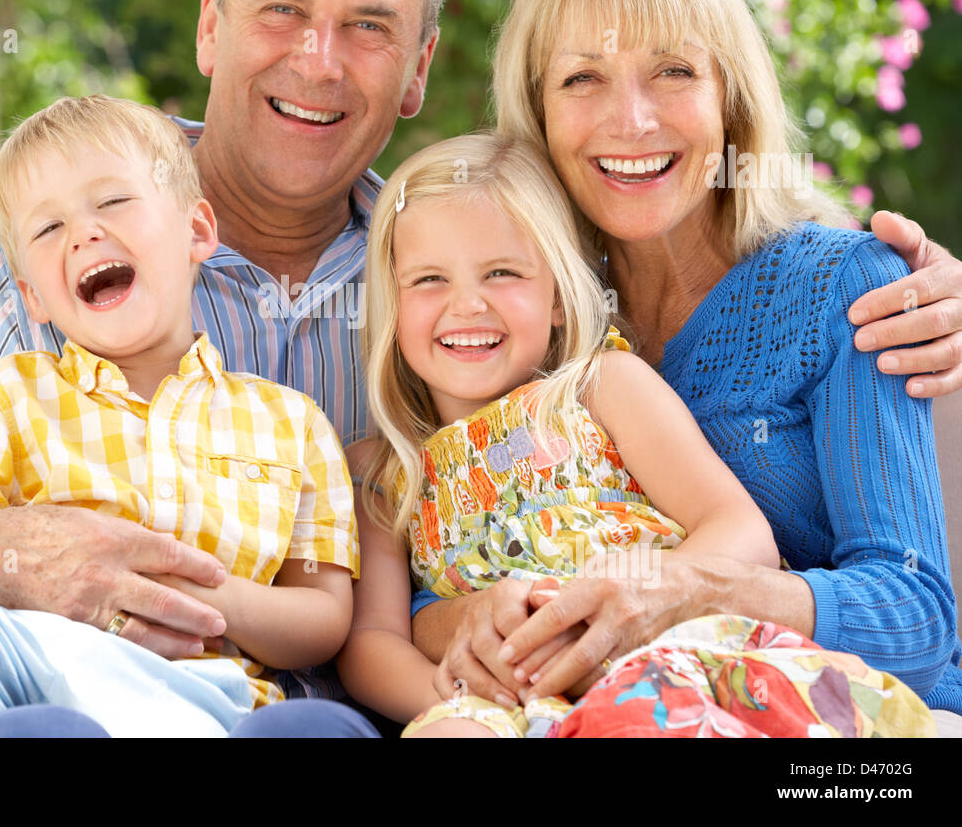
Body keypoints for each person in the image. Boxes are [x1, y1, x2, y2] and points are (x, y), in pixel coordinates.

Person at [0, 0, 962, 736]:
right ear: (209, 24)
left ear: (422, 70)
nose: (319, 59)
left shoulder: (464, 274)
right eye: (281, 10)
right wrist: (5, 551)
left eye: (370, 27)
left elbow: (690, 239)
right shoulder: (19, 237)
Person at [413, 0, 962, 732]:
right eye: (581, 77)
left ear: (729, 97)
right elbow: (460, 529)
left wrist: (689, 591)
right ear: (539, 113)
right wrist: (472, 619)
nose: (630, 120)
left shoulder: (842, 287)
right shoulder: (525, 312)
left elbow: (916, 617)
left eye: (673, 71)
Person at [335, 132, 934, 737]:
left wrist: (632, 615)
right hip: (505, 700)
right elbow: (373, 642)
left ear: (560, 299)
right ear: (392, 303)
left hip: (665, 662)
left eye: (502, 273)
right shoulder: (381, 472)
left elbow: (740, 529)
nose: (467, 304)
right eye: (429, 280)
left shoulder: (601, 386)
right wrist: (466, 702)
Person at [0, 95, 357, 736]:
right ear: (32, 294)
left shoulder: (290, 421)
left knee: (314, 729)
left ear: (197, 232)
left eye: (113, 201)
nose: (85, 232)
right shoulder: (11, 396)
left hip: (211, 694)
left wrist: (186, 597)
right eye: (47, 228)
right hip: (41, 677)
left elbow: (322, 617)